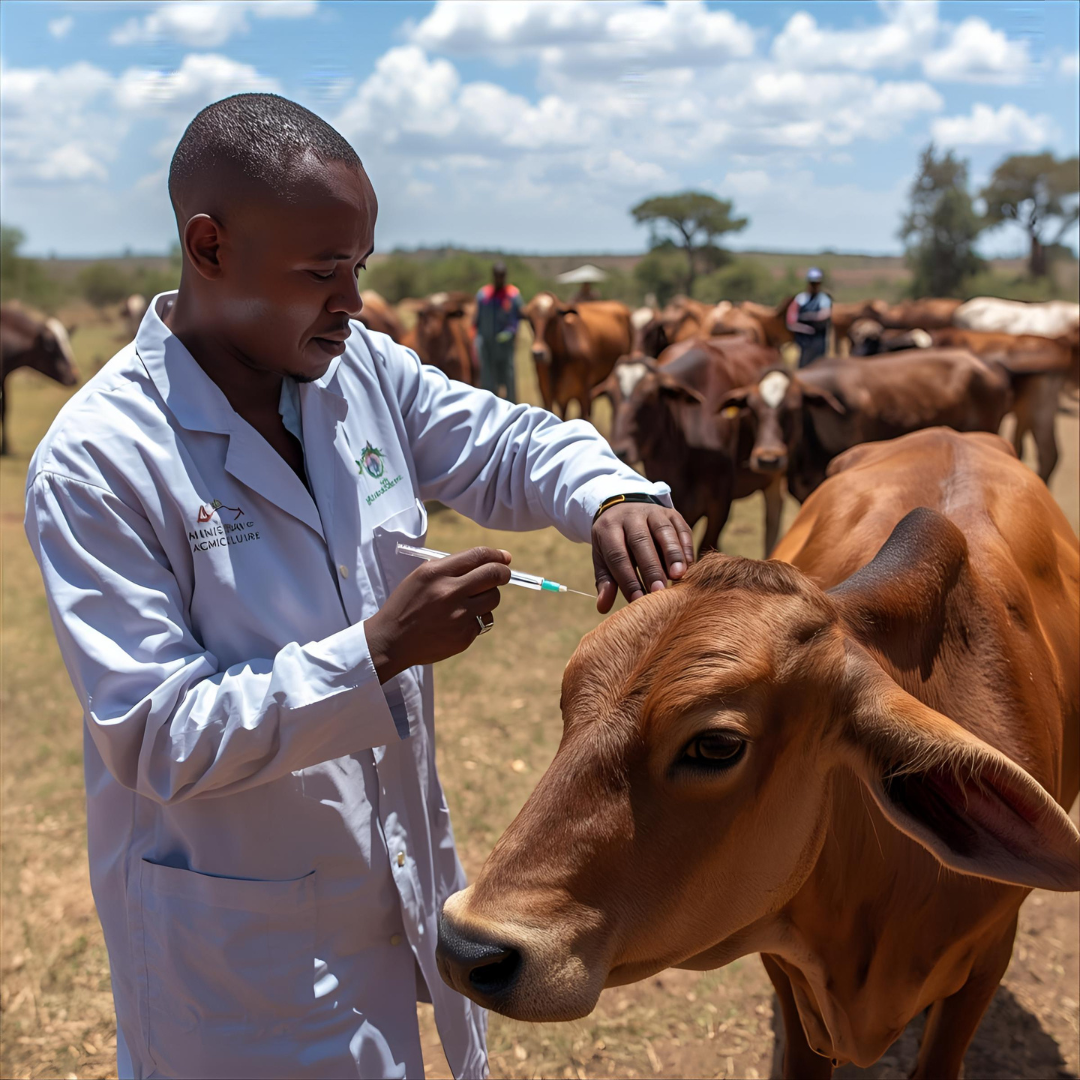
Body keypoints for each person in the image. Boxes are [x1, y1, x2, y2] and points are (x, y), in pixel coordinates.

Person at [23, 94, 694, 1080]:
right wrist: (378, 651)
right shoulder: (100, 462)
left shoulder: (357, 371)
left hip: (389, 884)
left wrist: (610, 491)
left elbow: (504, 443)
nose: (351, 300)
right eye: (320, 271)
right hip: (234, 949)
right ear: (209, 248)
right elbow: (156, 734)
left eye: (360, 269)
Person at [473, 261, 522, 401]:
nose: (499, 278)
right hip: (487, 345)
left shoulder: (513, 295)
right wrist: (477, 339)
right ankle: (489, 409)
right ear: (493, 275)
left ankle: (512, 410)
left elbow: (519, 315)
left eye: (502, 275)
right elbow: (476, 320)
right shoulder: (484, 295)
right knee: (488, 379)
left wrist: (511, 331)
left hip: (505, 347)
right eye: (497, 275)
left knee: (508, 378)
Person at [786, 267, 832, 368]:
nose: (814, 286)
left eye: (816, 283)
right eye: (812, 283)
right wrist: (802, 328)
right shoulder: (800, 298)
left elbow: (825, 314)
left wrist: (809, 317)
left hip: (818, 341)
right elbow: (790, 320)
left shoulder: (824, 299)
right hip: (802, 342)